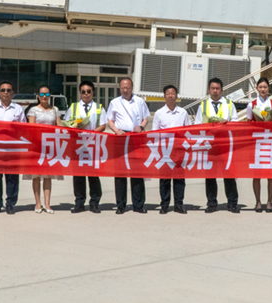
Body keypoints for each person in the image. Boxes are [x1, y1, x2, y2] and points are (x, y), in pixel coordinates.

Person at [106, 77, 150, 214]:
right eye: (123, 88)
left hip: (136, 137)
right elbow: (109, 120)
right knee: (120, 173)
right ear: (120, 88)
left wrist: (141, 127)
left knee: (137, 172)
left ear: (132, 88)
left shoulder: (140, 101)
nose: (125, 90)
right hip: (120, 138)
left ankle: (138, 205)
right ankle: (120, 205)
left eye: (128, 87)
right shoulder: (114, 102)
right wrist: (116, 130)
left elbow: (145, 119)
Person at [195, 78, 239, 213]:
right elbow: (197, 125)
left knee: (229, 174)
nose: (215, 91)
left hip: (226, 145)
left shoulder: (229, 104)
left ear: (222, 89)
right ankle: (211, 203)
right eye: (213, 88)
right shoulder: (202, 106)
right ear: (209, 90)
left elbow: (236, 122)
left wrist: (228, 123)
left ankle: (232, 203)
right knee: (210, 175)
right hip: (210, 145)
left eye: (217, 88)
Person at [0, 81, 27, 215]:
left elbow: (25, 128)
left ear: (12, 93)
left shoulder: (18, 109)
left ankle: (10, 204)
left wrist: (17, 126)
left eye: (9, 90)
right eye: (3, 90)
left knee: (12, 177)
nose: (6, 93)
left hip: (12, 148)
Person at [64, 80, 107, 214]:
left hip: (93, 144)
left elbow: (103, 125)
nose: (86, 94)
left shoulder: (99, 107)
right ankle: (79, 203)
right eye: (83, 92)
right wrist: (75, 125)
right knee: (78, 175)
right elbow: (68, 122)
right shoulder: (74, 107)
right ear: (80, 93)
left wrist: (92, 133)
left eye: (89, 91)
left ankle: (94, 203)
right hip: (78, 145)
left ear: (93, 92)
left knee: (93, 175)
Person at [25, 85, 65, 214]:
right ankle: (38, 203)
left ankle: (47, 203)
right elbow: (31, 128)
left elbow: (59, 126)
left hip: (50, 146)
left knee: (48, 176)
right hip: (36, 146)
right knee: (36, 176)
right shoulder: (33, 110)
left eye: (47, 94)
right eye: (42, 94)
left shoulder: (55, 110)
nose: (44, 97)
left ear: (50, 96)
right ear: (38, 95)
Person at [152, 85, 191, 214]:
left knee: (179, 179)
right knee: (164, 179)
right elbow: (154, 133)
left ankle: (179, 204)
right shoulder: (159, 113)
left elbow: (188, 131)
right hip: (165, 151)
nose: (170, 96)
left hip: (179, 150)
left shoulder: (183, 112)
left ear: (176, 96)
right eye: (168, 93)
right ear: (164, 96)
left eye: (173, 93)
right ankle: (164, 204)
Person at [244, 78, 272, 212]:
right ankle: (258, 201)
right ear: (257, 89)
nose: (263, 89)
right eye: (260, 87)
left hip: (270, 142)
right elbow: (248, 122)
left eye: (265, 87)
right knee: (257, 173)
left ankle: (269, 201)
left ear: (269, 88)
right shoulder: (251, 105)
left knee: (271, 174)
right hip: (257, 142)